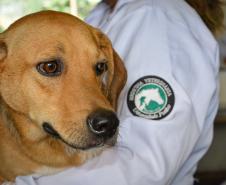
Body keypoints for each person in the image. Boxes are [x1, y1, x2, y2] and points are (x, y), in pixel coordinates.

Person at [8, 0, 223, 184]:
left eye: (99, 67)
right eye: (51, 68)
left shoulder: (155, 18)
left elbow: (140, 170)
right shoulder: (105, 13)